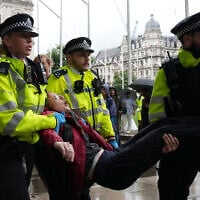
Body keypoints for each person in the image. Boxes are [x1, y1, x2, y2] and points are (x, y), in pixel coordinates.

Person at [35, 92, 180, 200]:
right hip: (105, 166)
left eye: (61, 96)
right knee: (164, 130)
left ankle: (164, 147)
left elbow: (93, 134)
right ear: (47, 105)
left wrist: (112, 143)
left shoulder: (69, 117)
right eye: (56, 98)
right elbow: (46, 131)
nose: (62, 98)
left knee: (161, 126)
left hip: (108, 158)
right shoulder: (50, 118)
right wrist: (57, 142)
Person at [0, 13, 66, 200]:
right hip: (6, 149)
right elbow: (9, 121)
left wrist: (54, 103)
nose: (30, 40)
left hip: (28, 146)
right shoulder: (2, 71)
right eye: (23, 35)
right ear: (7, 40)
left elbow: (38, 104)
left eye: (31, 36)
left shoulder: (32, 69)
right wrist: (49, 120)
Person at [148, 12, 200, 200]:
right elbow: (156, 115)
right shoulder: (167, 72)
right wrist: (163, 141)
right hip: (177, 148)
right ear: (187, 39)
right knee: (171, 193)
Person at [47, 37, 119, 149]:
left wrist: (110, 136)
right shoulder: (58, 78)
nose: (87, 59)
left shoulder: (92, 76)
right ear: (69, 58)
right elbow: (50, 112)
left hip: (97, 138)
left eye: (88, 55)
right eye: (81, 55)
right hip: (74, 143)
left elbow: (103, 110)